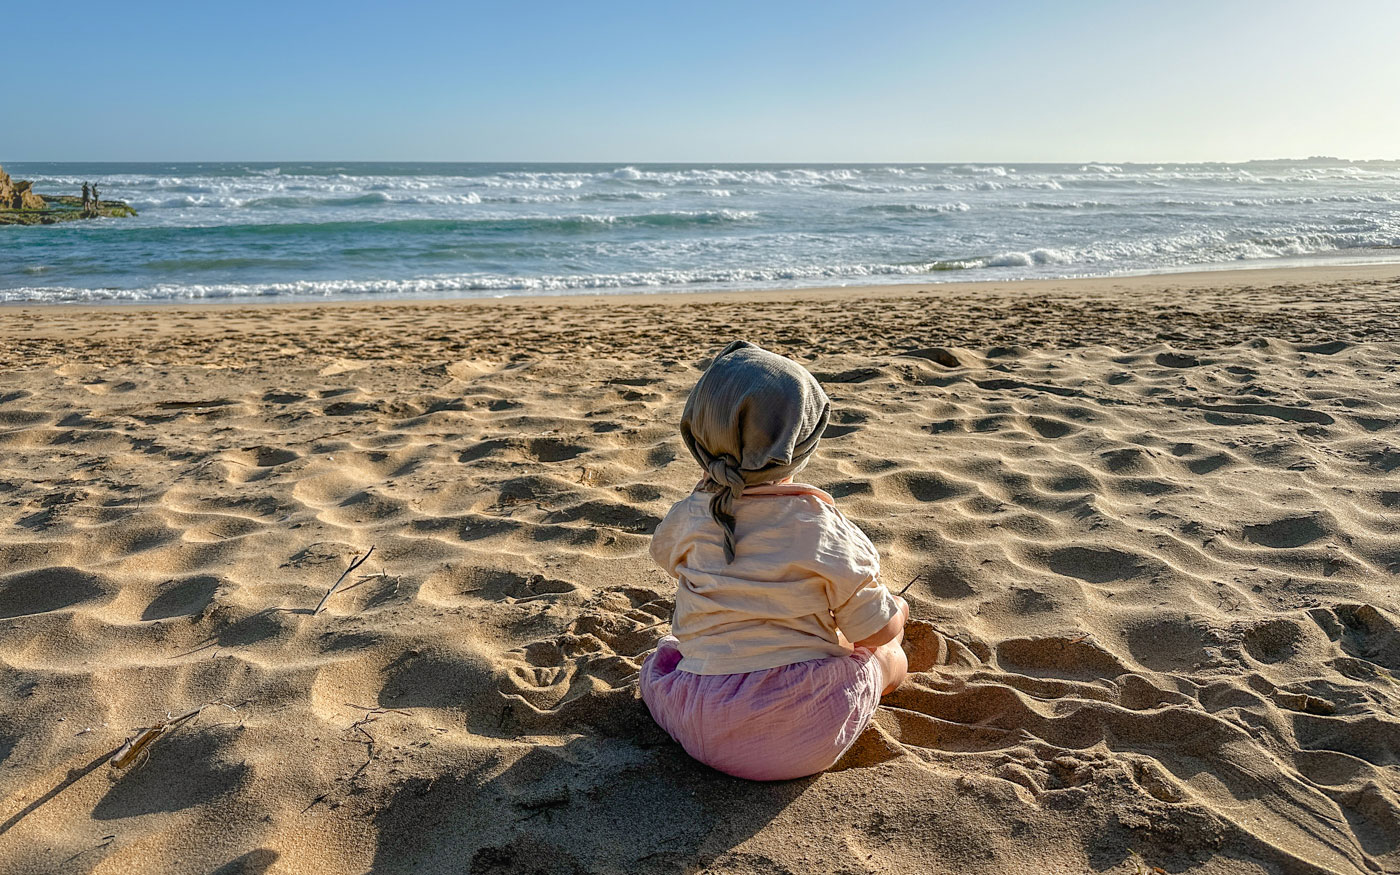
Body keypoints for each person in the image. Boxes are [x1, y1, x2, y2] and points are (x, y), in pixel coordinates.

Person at [639, 340, 909, 781]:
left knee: (665, 658)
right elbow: (873, 628)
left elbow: (666, 557)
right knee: (881, 655)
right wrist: (896, 613)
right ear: (799, 446)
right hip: (804, 729)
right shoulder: (820, 525)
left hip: (699, 717)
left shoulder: (688, 514)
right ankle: (886, 671)